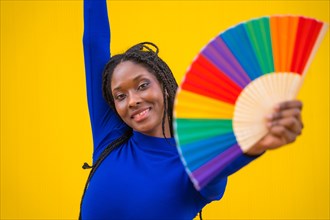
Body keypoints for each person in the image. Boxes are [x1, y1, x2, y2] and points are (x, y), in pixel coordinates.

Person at [80, 0, 304, 219]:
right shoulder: (109, 135)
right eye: (121, 96)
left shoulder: (193, 161)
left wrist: (257, 141)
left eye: (142, 85)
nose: (132, 100)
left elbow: (220, 166)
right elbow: (93, 43)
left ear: (164, 86)